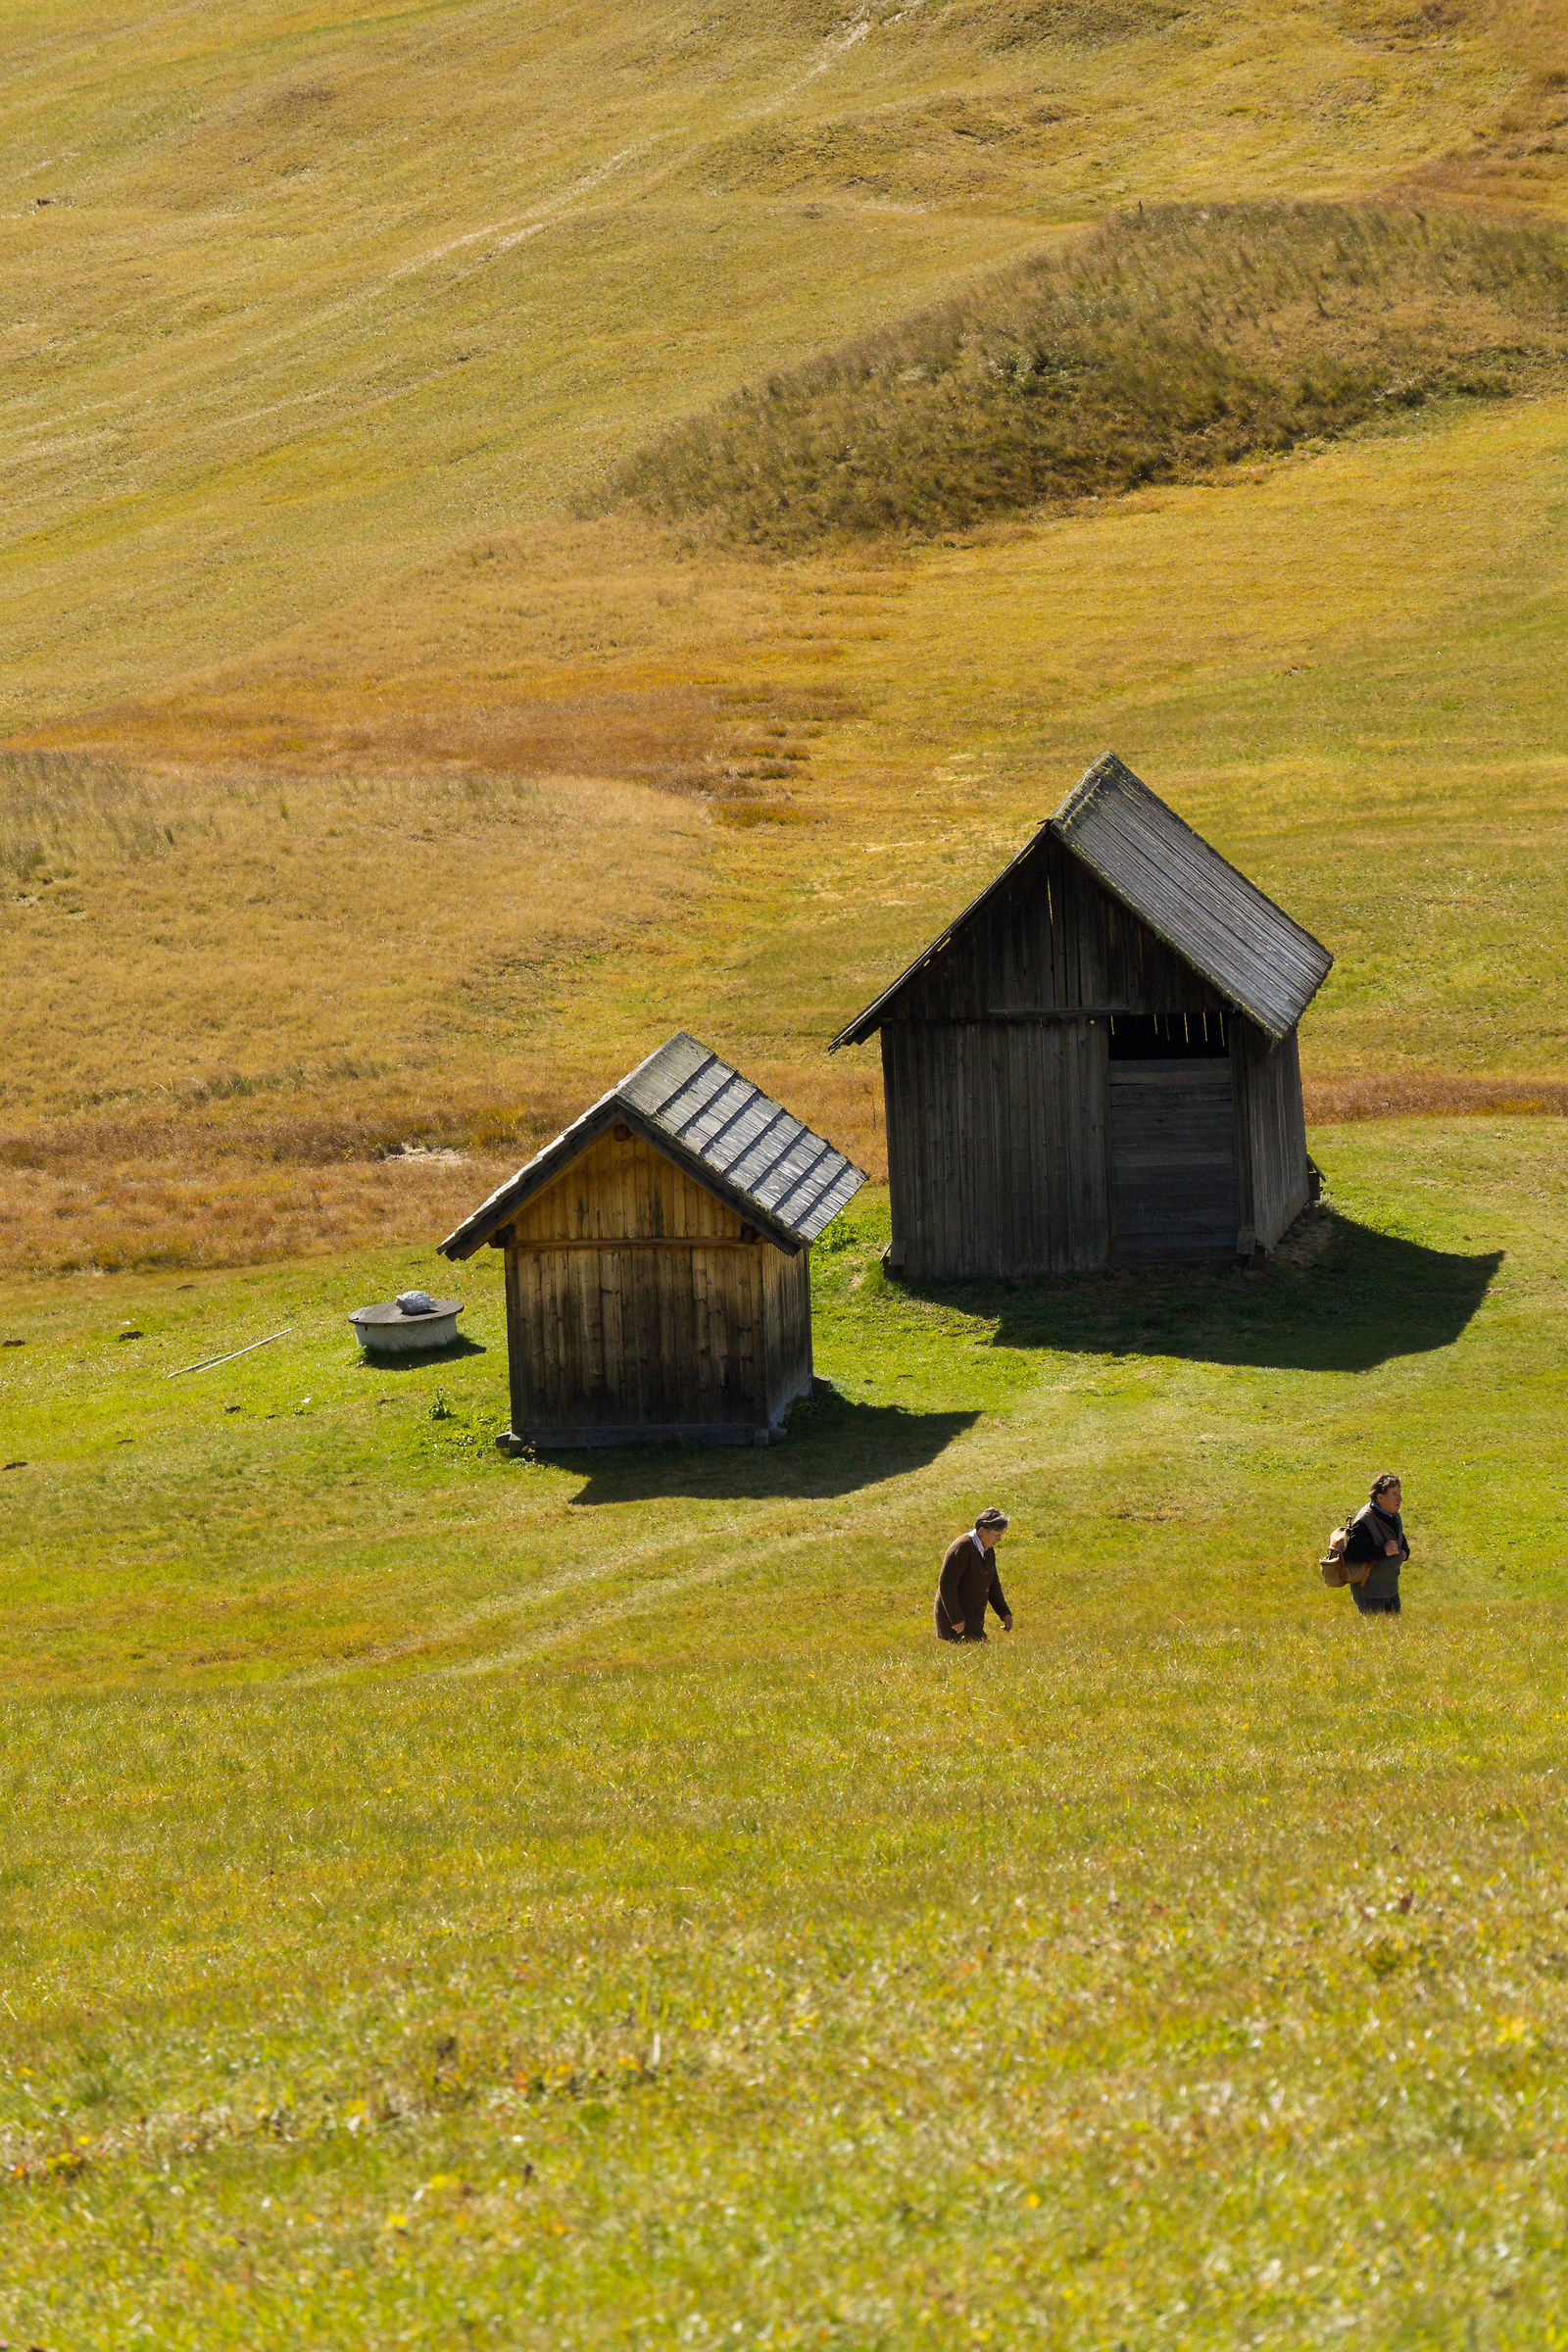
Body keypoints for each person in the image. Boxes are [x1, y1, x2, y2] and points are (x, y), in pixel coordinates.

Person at [935, 1507, 1014, 1642]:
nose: (999, 1539)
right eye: (997, 1535)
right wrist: (956, 1619)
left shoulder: (987, 1550)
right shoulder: (962, 1547)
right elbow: (946, 1585)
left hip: (972, 1625)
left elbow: (993, 1584)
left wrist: (1004, 1612)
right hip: (955, 1628)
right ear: (982, 1531)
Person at [1342, 1473, 1409, 1615]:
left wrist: (1405, 1552)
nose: (1400, 1499)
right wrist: (1383, 1551)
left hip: (1390, 1590)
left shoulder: (1393, 1515)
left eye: (1400, 1493)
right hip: (1370, 1594)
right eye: (1394, 1494)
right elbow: (1352, 1555)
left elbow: (1400, 1540)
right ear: (1380, 1497)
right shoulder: (1365, 1521)